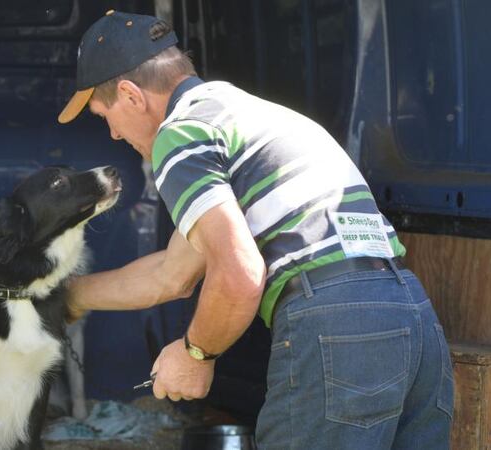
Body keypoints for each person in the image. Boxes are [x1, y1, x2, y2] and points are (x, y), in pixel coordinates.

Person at [58, 10, 453, 450]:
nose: (112, 134)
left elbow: (240, 273)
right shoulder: (249, 115)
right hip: (410, 314)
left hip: (336, 324)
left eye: (103, 114)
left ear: (131, 96)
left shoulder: (182, 135)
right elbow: (173, 273)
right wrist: (69, 296)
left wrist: (195, 354)